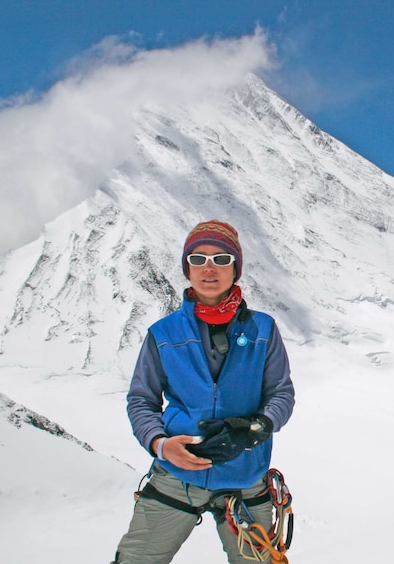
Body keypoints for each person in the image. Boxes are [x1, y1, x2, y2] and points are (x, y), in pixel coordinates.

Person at [112, 220, 295, 564]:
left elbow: (281, 393)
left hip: (245, 474)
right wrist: (161, 445)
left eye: (221, 259)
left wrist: (256, 429)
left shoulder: (263, 330)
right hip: (177, 474)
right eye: (198, 259)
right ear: (187, 268)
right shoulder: (163, 334)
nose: (209, 268)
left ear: (235, 269)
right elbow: (141, 400)